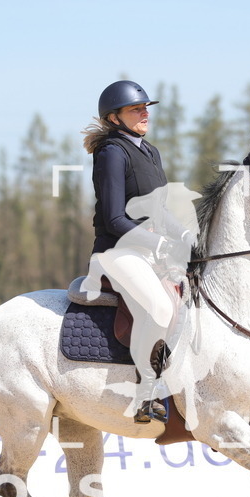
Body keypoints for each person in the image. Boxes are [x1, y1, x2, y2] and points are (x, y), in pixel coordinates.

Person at [81, 80, 194, 425]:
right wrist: (160, 244)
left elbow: (160, 212)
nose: (145, 113)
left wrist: (186, 234)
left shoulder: (150, 151)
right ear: (114, 118)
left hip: (150, 252)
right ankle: (146, 393)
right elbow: (115, 218)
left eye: (146, 108)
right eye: (136, 109)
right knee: (159, 308)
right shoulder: (112, 152)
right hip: (117, 252)